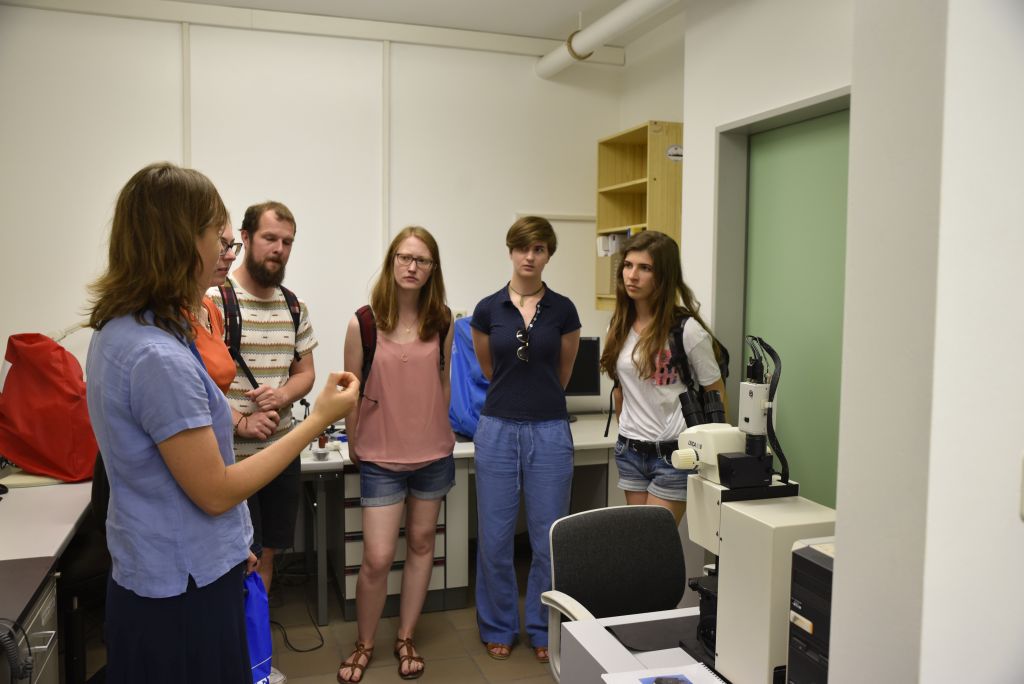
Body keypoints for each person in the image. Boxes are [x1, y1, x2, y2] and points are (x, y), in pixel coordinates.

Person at [85, 162, 359, 684]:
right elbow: (214, 492)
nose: (225, 252)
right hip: (181, 589)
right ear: (182, 242)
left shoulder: (122, 331)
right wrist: (317, 420)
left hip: (167, 568)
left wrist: (234, 548)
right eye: (220, 236)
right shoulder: (156, 355)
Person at [337, 226, 455, 682]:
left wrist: (437, 429)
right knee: (378, 556)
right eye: (404, 258)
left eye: (421, 260)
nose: (412, 267)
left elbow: (443, 384)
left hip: (432, 456)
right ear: (391, 262)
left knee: (422, 544)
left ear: (432, 269)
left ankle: (405, 635)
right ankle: (364, 642)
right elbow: (350, 390)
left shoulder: (443, 320)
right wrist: (354, 443)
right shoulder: (363, 323)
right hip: (381, 458)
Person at [470, 216, 581, 663]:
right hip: (497, 428)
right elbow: (489, 369)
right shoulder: (487, 309)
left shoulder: (564, 310)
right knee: (494, 539)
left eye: (538, 249)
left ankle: (542, 626)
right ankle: (498, 625)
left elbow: (563, 373)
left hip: (550, 429)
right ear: (510, 252)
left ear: (548, 255)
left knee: (547, 537)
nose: (529, 257)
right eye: (522, 248)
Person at [208, 201, 317, 596]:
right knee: (237, 559)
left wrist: (282, 394)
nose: (279, 249)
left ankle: (255, 651)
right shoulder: (214, 301)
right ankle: (235, 653)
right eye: (270, 238)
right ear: (246, 237)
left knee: (267, 555)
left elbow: (306, 373)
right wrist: (241, 421)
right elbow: (199, 386)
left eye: (287, 242)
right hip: (231, 462)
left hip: (281, 456)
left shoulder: (294, 307)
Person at [599, 231, 727, 524]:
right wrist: (627, 431)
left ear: (664, 276)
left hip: (673, 454)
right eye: (628, 265)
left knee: (654, 546)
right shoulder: (618, 324)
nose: (632, 275)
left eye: (645, 268)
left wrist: (714, 454)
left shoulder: (687, 331)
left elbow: (715, 393)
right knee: (639, 546)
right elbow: (621, 390)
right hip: (630, 451)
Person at [189, 220, 241, 392]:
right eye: (222, 243)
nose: (232, 255)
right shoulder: (169, 318)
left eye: (232, 245)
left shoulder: (210, 309)